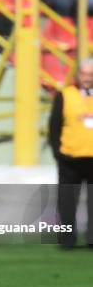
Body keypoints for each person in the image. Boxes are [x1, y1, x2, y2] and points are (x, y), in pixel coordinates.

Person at [49, 58, 93, 249]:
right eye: (84, 74)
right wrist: (58, 153)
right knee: (67, 202)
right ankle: (67, 240)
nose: (88, 78)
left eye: (91, 75)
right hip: (70, 158)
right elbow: (54, 127)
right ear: (77, 75)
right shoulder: (64, 95)